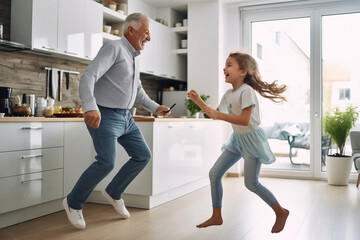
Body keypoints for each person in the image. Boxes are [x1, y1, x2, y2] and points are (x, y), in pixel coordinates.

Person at [63, 13, 171, 229]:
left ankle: (113, 192)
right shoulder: (113, 48)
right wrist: (90, 107)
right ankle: (73, 202)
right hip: (104, 114)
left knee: (142, 156)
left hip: (125, 117)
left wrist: (155, 107)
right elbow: (88, 77)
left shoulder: (134, 56)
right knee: (106, 162)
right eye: (146, 32)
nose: (149, 38)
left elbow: (137, 90)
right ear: (131, 30)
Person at [187, 52, 289, 233]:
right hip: (237, 140)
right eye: (225, 65)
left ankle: (280, 212)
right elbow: (214, 114)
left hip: (251, 140)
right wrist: (199, 101)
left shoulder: (247, 91)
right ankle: (216, 216)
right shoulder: (228, 94)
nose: (224, 68)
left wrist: (218, 114)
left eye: (229, 64)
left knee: (251, 183)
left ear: (243, 72)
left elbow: (244, 120)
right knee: (214, 174)